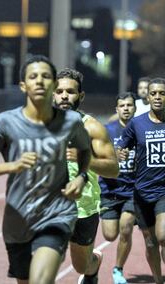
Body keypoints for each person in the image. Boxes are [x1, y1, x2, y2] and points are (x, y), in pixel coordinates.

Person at [0, 55, 92, 284]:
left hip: (57, 214)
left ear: (54, 84)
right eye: (33, 77)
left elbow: (85, 151)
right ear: (23, 85)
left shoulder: (71, 121)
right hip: (19, 219)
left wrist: (81, 177)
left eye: (46, 76)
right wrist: (12, 165)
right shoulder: (4, 122)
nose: (39, 81)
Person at [118, 78, 165, 284]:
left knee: (162, 237)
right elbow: (122, 146)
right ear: (148, 97)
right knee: (150, 243)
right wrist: (120, 154)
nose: (157, 97)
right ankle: (158, 281)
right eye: (154, 94)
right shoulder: (136, 123)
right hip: (141, 192)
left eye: (162, 93)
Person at [53, 68, 119, 284]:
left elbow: (113, 168)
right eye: (59, 91)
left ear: (80, 96)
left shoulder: (92, 128)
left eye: (70, 91)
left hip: (83, 207)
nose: (64, 96)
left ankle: (93, 266)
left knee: (81, 265)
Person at [98, 92, 137, 284]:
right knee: (110, 235)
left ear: (135, 108)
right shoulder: (106, 130)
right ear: (117, 109)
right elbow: (95, 157)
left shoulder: (143, 130)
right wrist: (113, 154)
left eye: (130, 105)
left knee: (126, 227)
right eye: (122, 106)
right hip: (109, 190)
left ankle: (118, 270)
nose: (126, 109)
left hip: (132, 190)